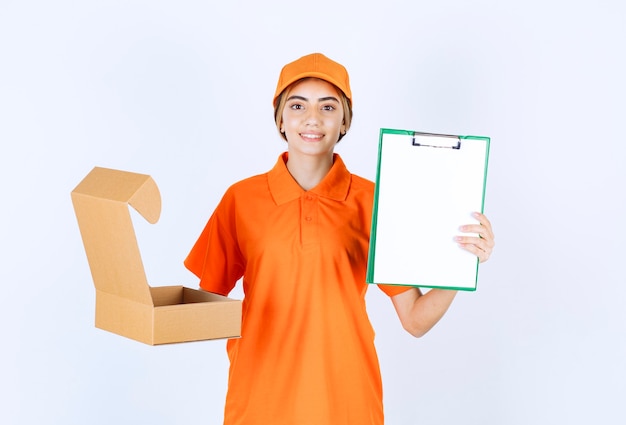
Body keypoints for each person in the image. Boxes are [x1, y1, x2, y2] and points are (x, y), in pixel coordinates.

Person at [184, 52, 495, 425]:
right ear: (280, 119)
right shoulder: (241, 199)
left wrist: (464, 261)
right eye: (297, 105)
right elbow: (203, 308)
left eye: (328, 107)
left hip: (346, 403)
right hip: (259, 402)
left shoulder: (374, 201)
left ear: (344, 121)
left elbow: (414, 320)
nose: (312, 119)